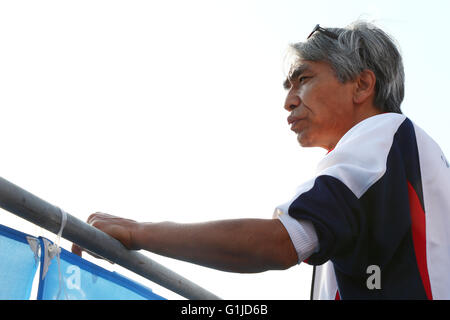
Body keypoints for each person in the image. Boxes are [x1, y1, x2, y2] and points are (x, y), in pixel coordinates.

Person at [72, 21, 450, 300]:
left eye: (303, 79)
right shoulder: (401, 158)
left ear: (363, 85)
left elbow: (282, 243)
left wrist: (139, 232)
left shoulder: (381, 133)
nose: (289, 99)